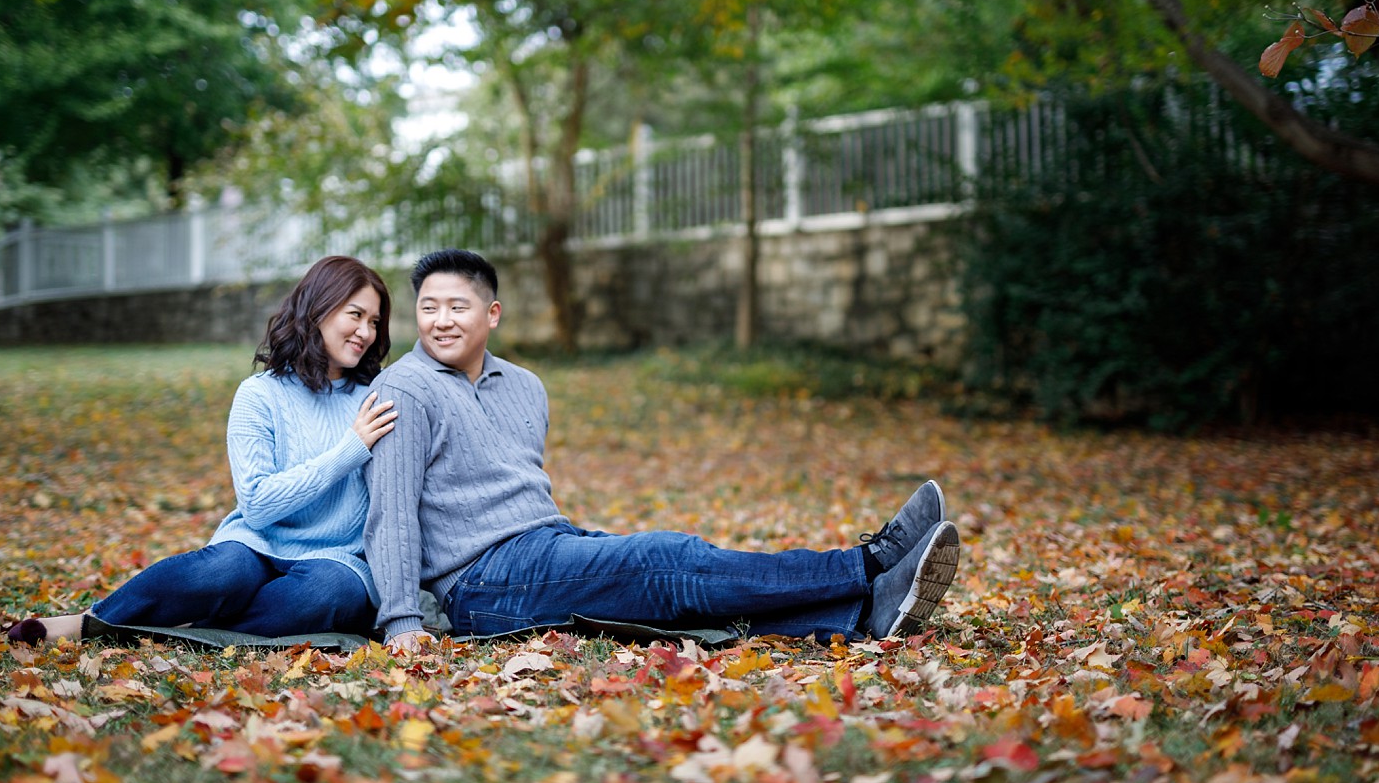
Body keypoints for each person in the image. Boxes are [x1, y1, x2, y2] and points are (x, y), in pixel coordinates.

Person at [363, 248, 960, 652]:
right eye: (428, 308)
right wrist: (401, 622)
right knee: (666, 561)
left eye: (457, 307)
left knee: (670, 600)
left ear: (491, 314)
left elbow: (517, 489)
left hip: (548, 544)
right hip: (481, 583)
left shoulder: (525, 386)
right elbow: (390, 512)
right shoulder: (404, 389)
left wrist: (563, 546)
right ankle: (869, 562)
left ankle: (861, 615)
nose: (441, 321)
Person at [4, 255, 400, 644]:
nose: (365, 332)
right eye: (355, 314)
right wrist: (349, 450)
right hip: (257, 546)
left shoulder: (377, 398)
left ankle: (188, 633)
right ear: (318, 309)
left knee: (326, 593)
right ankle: (92, 621)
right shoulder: (260, 394)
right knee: (220, 572)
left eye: (374, 321)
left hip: (337, 560)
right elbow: (258, 504)